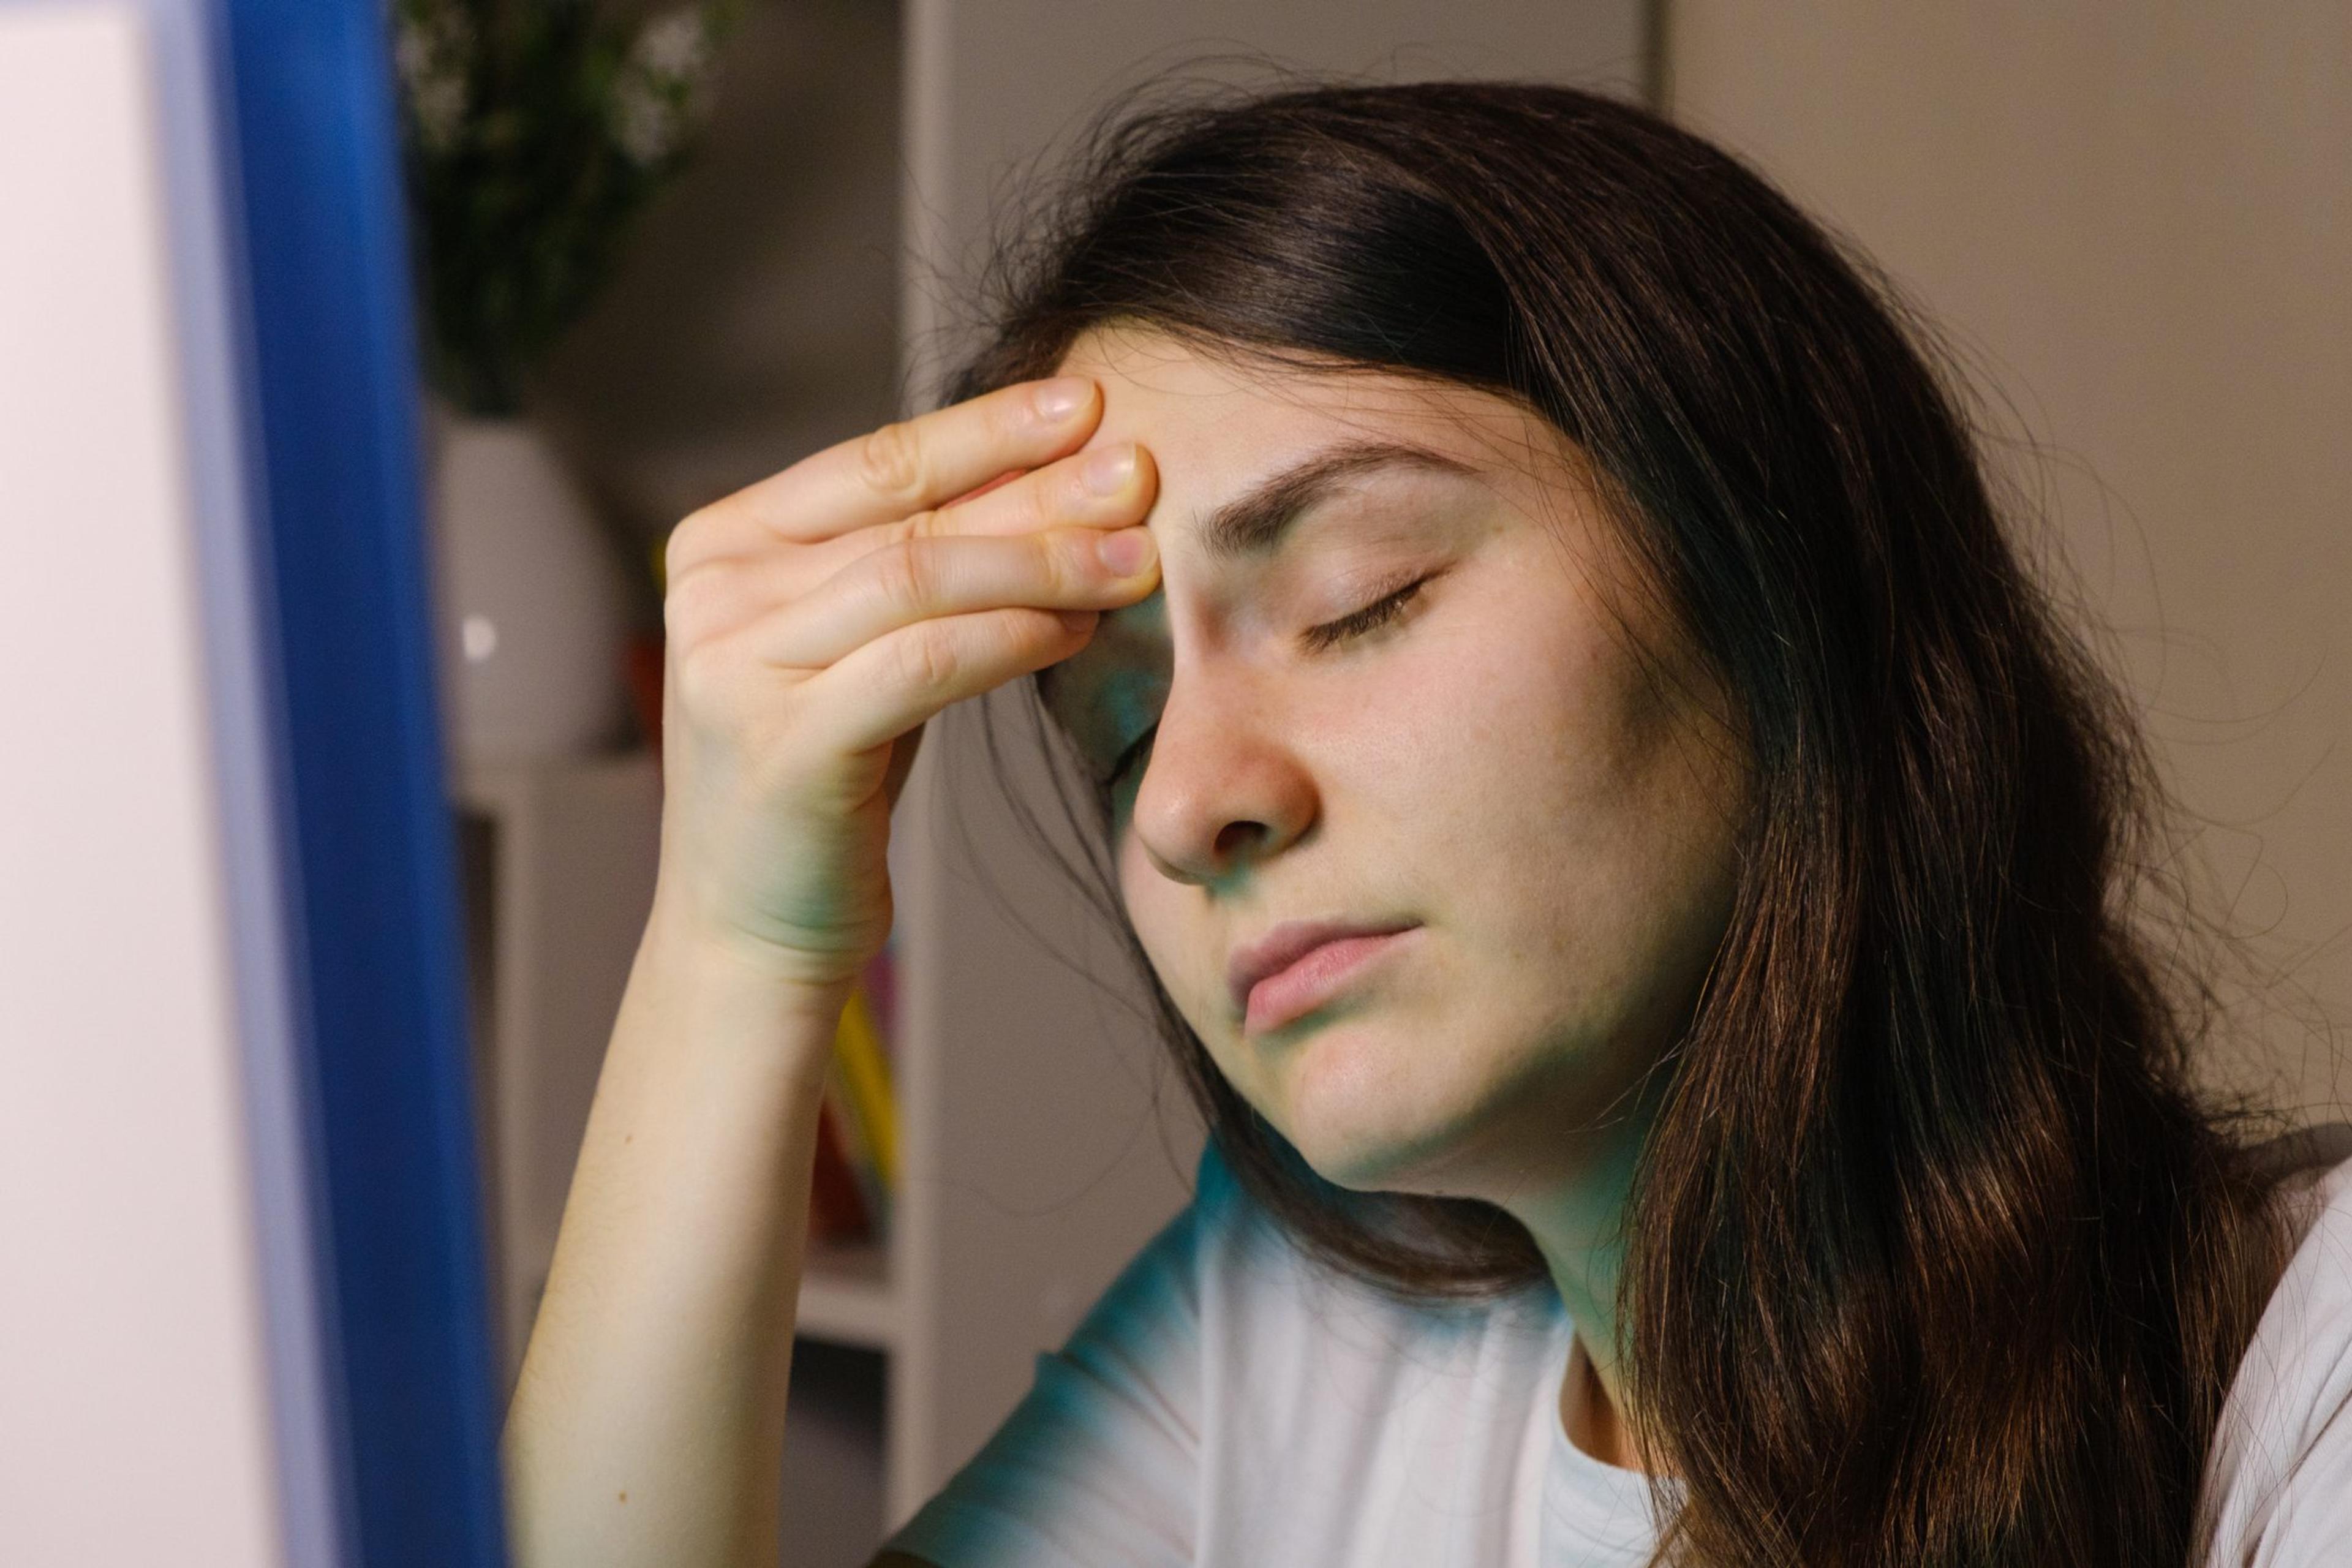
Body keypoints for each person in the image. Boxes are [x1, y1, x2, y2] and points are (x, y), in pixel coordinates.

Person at [499, 80, 2352, 1568]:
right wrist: (738, 942)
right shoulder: (1298, 1332)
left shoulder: (2311, 1382)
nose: (1201, 803)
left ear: (1781, 582)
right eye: (1120, 731)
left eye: (1362, 598)